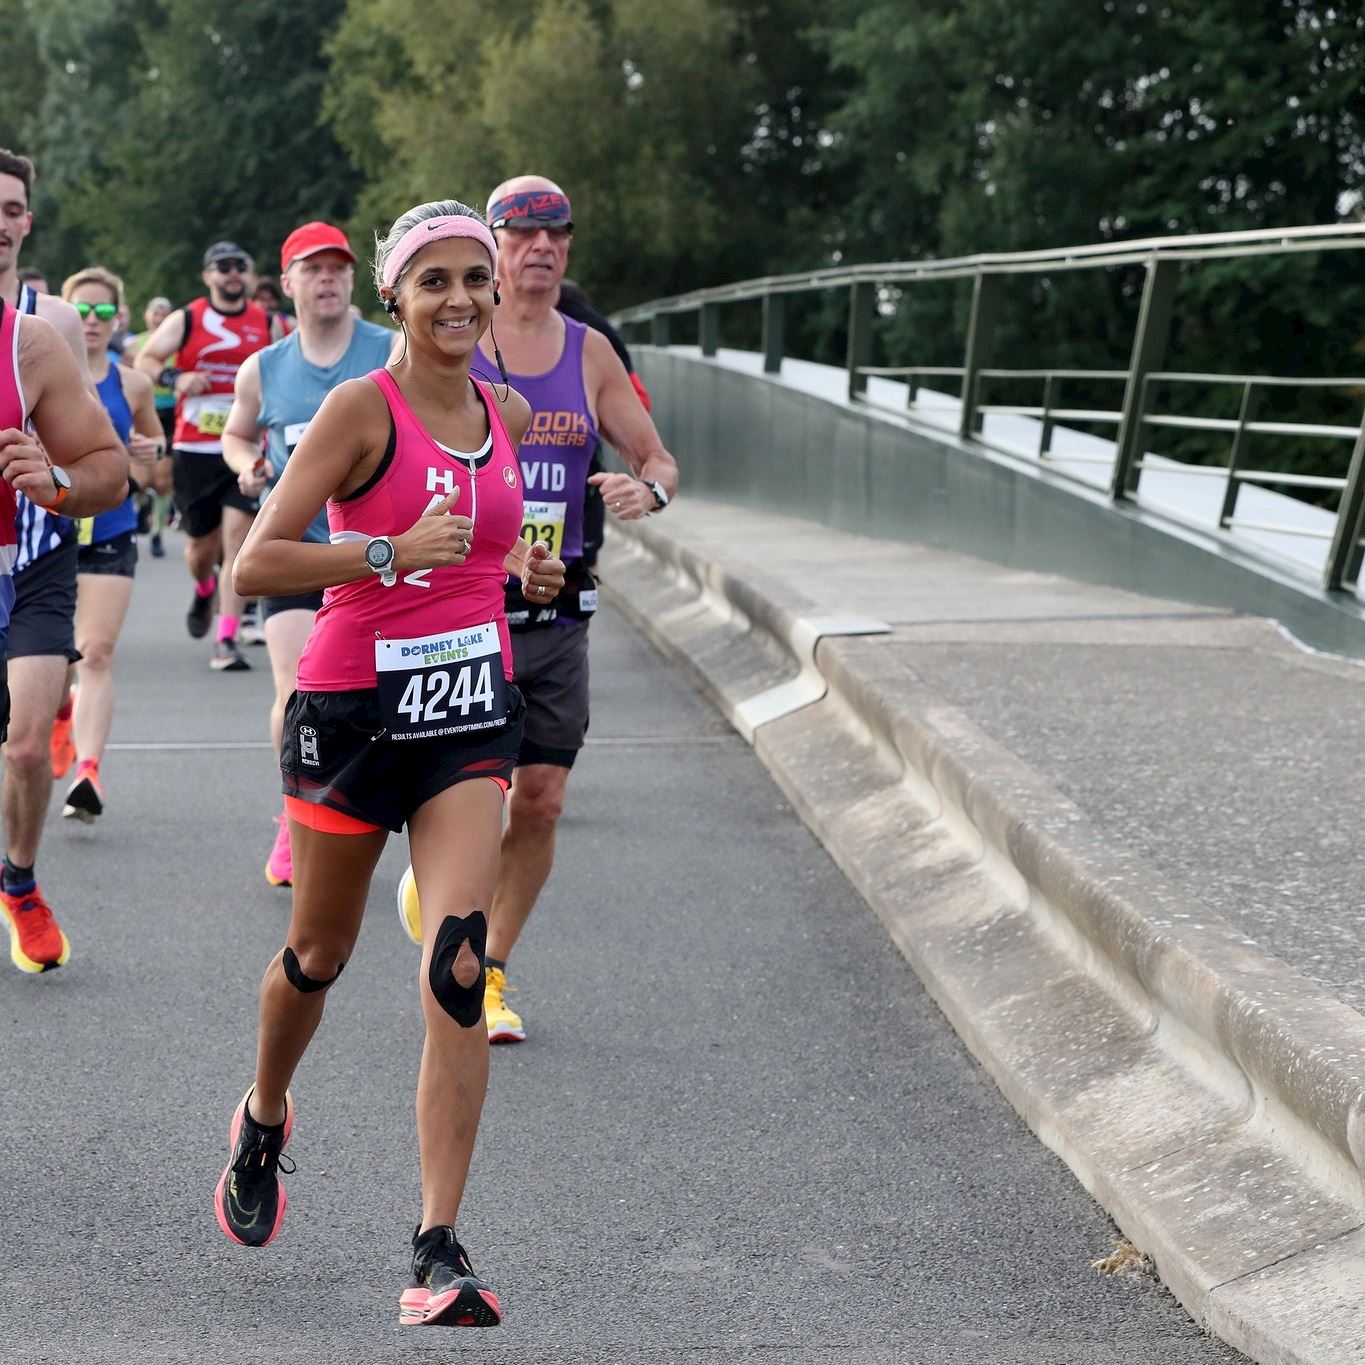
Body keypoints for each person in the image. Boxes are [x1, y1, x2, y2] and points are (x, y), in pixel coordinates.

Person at [214, 199, 564, 1329]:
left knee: (458, 960)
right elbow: (255, 566)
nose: (461, 298)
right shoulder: (362, 411)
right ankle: (266, 1112)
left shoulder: (503, 410)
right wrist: (383, 550)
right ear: (394, 296)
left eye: (476, 277)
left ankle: (439, 1247)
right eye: (435, 281)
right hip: (351, 710)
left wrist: (526, 581)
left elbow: (482, 560)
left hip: (467, 711)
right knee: (317, 954)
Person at [396, 176, 678, 1045]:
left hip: (561, 610)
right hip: (467, 603)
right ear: (492, 248)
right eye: (521, 236)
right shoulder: (450, 341)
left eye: (556, 234)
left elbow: (657, 457)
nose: (541, 249)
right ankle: (454, 931)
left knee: (542, 801)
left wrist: (647, 494)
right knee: (472, 790)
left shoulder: (589, 350)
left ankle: (492, 969)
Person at [221, 221, 396, 887]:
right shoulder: (263, 368)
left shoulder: (391, 351)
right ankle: (295, 815)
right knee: (297, 691)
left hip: (378, 555)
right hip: (295, 553)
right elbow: (238, 435)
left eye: (337, 268)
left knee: (383, 697)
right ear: (287, 282)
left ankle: (384, 809)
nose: (326, 278)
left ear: (353, 280)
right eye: (312, 268)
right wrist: (246, 466)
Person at [0, 290, 128, 973]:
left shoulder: (31, 340)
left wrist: (54, 480)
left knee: (24, 748)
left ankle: (17, 883)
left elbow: (110, 469)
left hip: (28, 569)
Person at [56, 267, 163, 822]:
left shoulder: (133, 383)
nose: (93, 323)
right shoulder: (38, 372)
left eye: (104, 312)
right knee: (47, 661)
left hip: (110, 530)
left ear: (119, 318)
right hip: (44, 533)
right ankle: (56, 711)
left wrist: (147, 463)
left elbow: (153, 461)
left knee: (93, 654)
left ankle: (88, 770)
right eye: (83, 312)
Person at [134, 240, 270, 670]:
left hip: (244, 448)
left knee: (237, 543)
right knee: (199, 550)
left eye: (240, 266)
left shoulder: (268, 323)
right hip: (194, 449)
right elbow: (146, 359)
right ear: (208, 276)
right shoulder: (189, 318)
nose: (232, 274)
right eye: (222, 267)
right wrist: (177, 376)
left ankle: (225, 638)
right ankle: (205, 590)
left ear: (248, 275)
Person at [0, 150, 90, 385]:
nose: (1, 225)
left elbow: (86, 420)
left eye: (12, 213)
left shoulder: (60, 318)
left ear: (27, 223)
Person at [124, 297, 177, 558]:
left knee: (164, 480)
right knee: (142, 479)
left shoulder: (177, 345)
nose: (158, 317)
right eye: (154, 312)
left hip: (170, 414)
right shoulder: (134, 345)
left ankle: (157, 533)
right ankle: (142, 505)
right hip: (143, 412)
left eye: (164, 313)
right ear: (146, 315)